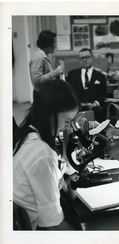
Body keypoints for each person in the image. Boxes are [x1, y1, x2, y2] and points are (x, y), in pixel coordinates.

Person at [13, 80, 80, 230]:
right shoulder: (42, 153)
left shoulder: (27, 134)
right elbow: (54, 224)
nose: (68, 127)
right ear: (51, 113)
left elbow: (61, 167)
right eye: (67, 121)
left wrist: (66, 142)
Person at [66, 48, 107, 122]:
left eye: (87, 57)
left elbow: (103, 94)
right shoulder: (71, 75)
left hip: (95, 111)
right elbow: (68, 93)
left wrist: (95, 103)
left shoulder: (100, 76)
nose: (84, 60)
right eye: (82, 58)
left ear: (92, 58)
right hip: (76, 111)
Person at [29, 30, 64, 99]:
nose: (55, 45)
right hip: (41, 95)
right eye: (54, 42)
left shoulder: (42, 56)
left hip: (45, 93)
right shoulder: (38, 57)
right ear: (48, 44)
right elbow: (37, 80)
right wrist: (55, 72)